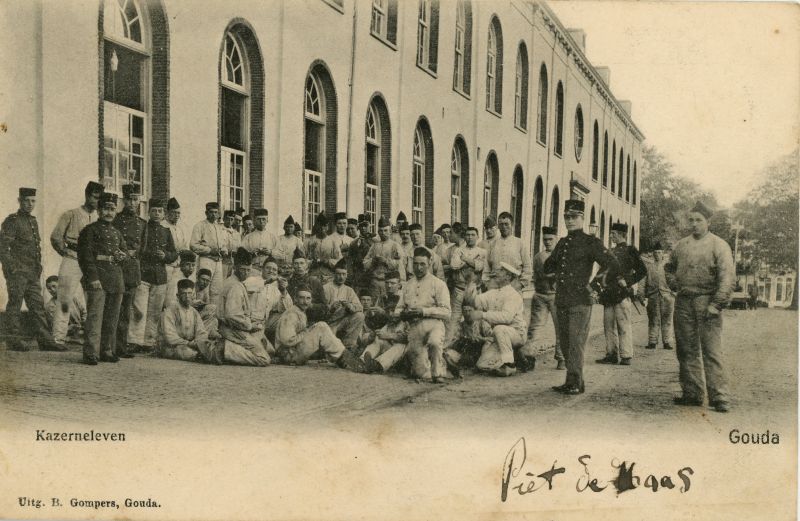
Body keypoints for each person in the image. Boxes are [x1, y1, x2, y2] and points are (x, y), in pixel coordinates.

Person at [544, 199, 621, 395]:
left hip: (580, 299)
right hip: (562, 299)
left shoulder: (591, 242)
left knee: (576, 342)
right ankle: (573, 380)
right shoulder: (562, 243)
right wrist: (553, 278)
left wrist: (594, 286)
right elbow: (549, 266)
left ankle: (576, 382)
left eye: (574, 217)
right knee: (566, 342)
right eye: (566, 217)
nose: (569, 221)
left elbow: (612, 264)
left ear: (582, 218)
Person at [665, 201, 734, 413]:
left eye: (699, 220)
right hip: (684, 301)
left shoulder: (719, 245)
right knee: (686, 349)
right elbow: (668, 268)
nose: (694, 224)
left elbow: (727, 278)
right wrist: (674, 283)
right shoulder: (681, 245)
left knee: (711, 350)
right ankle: (692, 393)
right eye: (691, 220)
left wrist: (717, 304)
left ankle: (719, 396)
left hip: (708, 301)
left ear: (708, 222)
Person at [0, 188, 63, 351]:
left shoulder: (33, 221)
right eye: (27, 200)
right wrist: (11, 269)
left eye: (33, 201)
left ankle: (45, 340)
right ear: (19, 201)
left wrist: (38, 267)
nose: (30, 204)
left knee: (37, 305)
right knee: (15, 304)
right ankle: (13, 340)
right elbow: (3, 247)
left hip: (32, 273)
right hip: (18, 272)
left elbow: (36, 248)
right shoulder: (12, 221)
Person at [49, 181, 103, 346]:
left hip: (91, 262)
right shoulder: (71, 214)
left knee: (93, 298)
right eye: (94, 197)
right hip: (73, 258)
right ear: (87, 196)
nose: (96, 201)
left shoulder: (99, 217)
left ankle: (91, 340)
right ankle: (58, 338)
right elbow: (56, 237)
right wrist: (63, 251)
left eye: (99, 198)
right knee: (64, 299)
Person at [77, 192, 127, 364]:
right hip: (98, 278)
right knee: (95, 317)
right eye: (106, 209)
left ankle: (106, 350)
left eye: (112, 209)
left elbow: (124, 253)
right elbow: (85, 257)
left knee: (112, 318)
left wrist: (122, 256)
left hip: (115, 279)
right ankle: (91, 352)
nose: (109, 213)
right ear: (99, 211)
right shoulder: (89, 231)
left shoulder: (117, 233)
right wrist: (93, 278)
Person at [274, 284, 365, 371]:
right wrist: (306, 331)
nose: (305, 301)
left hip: (293, 352)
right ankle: (345, 358)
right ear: (295, 299)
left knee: (321, 327)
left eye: (308, 298)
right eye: (301, 298)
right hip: (288, 355)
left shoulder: (300, 311)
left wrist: (308, 330)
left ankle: (343, 358)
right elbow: (287, 341)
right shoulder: (291, 314)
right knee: (321, 326)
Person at [128, 198, 178, 355]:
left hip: (160, 276)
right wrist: (150, 253)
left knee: (155, 311)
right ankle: (135, 340)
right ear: (149, 212)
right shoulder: (143, 228)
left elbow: (174, 254)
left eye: (160, 211)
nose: (157, 214)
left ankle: (149, 341)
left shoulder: (166, 232)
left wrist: (165, 255)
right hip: (143, 274)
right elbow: (137, 249)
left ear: (163, 214)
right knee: (139, 310)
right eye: (154, 211)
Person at [394, 247, 451, 383]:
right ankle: (443, 364)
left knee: (435, 342)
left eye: (422, 264)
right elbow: (399, 308)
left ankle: (438, 373)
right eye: (416, 264)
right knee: (419, 373)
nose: (418, 268)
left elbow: (447, 312)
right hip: (414, 327)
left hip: (434, 324)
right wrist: (402, 314)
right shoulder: (408, 285)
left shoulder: (439, 284)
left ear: (429, 263)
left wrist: (424, 311)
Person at [595, 223, 647, 366]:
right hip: (608, 294)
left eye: (613, 233)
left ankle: (626, 356)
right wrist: (595, 284)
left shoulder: (631, 251)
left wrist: (628, 281)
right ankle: (611, 354)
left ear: (621, 235)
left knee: (623, 326)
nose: (611, 236)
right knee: (608, 326)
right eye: (611, 233)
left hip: (622, 294)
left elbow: (642, 271)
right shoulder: (610, 251)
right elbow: (602, 271)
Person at [463, 262, 527, 377]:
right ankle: (517, 357)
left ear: (508, 277)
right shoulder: (493, 293)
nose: (497, 272)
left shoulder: (513, 295)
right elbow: (474, 301)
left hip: (516, 334)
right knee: (482, 365)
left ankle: (510, 365)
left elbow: (506, 318)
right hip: (499, 336)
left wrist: (483, 315)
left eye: (501, 271)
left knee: (499, 329)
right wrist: (471, 283)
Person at [216, 247, 270, 366]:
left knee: (269, 348)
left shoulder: (232, 281)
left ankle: (231, 347)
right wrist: (249, 325)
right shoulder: (235, 286)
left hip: (232, 327)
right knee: (264, 358)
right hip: (232, 329)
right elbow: (232, 315)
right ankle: (226, 349)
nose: (245, 273)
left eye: (248, 270)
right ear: (235, 268)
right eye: (242, 270)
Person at [522, 226, 562, 370]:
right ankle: (529, 357)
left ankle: (561, 359)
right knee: (535, 328)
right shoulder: (538, 257)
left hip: (557, 296)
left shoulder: (562, 256)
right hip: (541, 294)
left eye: (551, 239)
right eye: (545, 239)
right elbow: (539, 276)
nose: (548, 242)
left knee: (561, 328)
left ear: (556, 239)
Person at [113, 184, 146, 357]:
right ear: (124, 200)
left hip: (132, 270)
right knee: (113, 308)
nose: (133, 203)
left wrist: (135, 253)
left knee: (126, 310)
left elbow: (144, 248)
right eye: (130, 200)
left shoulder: (142, 223)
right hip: (116, 269)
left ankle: (121, 346)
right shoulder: (115, 220)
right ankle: (108, 345)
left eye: (136, 200)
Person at [446, 226, 487, 344]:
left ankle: (477, 342)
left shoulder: (482, 252)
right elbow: (454, 265)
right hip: (459, 288)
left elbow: (480, 267)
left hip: (474, 288)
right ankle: (450, 343)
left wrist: (465, 259)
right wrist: (471, 262)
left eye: (473, 235)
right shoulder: (458, 250)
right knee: (455, 317)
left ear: (478, 237)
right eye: (468, 235)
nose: (470, 237)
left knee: (476, 316)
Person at [158, 279, 215, 363]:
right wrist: (189, 343)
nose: (187, 296)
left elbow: (201, 332)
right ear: (178, 296)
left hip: (190, 344)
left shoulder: (194, 312)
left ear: (193, 295)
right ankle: (201, 357)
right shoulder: (170, 311)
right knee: (182, 350)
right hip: (172, 346)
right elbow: (170, 337)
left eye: (189, 293)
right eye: (184, 294)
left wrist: (198, 342)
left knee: (208, 343)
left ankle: (207, 355)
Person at [190, 202, 229, 305]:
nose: (213, 215)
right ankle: (201, 314)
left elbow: (224, 244)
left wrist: (224, 251)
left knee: (216, 290)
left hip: (218, 261)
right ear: (206, 213)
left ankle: (212, 315)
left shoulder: (220, 228)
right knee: (203, 288)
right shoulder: (200, 226)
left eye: (216, 212)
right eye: (211, 212)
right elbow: (193, 245)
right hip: (206, 260)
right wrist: (209, 250)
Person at [323, 259, 366, 350]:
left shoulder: (349, 290)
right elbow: (320, 309)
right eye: (338, 274)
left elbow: (360, 307)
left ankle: (348, 346)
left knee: (359, 316)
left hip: (344, 322)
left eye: (343, 274)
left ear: (347, 275)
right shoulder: (326, 288)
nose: (341, 277)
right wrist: (331, 308)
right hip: (329, 323)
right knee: (328, 347)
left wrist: (350, 306)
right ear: (334, 274)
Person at [363, 216, 406, 303]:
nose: (383, 233)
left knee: (387, 304)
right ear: (378, 232)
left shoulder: (395, 245)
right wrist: (373, 260)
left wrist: (386, 261)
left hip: (388, 283)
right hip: (374, 282)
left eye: (386, 230)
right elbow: (365, 262)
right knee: (374, 305)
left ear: (390, 232)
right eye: (381, 231)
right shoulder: (374, 245)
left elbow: (401, 264)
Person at [487, 212, 532, 292]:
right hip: (495, 288)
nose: (504, 227)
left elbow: (527, 268)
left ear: (512, 225)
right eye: (501, 224)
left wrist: (520, 284)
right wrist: (488, 284)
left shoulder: (520, 243)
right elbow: (486, 267)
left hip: (514, 287)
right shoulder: (492, 244)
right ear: (498, 226)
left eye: (506, 224)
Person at [644, 241, 675, 350]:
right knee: (653, 319)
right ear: (653, 254)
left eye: (659, 252)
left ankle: (667, 341)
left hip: (667, 297)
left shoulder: (668, 267)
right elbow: (644, 282)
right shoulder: (649, 267)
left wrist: (674, 292)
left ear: (663, 253)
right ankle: (652, 341)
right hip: (653, 297)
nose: (657, 254)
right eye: (655, 252)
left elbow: (675, 280)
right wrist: (642, 295)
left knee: (667, 320)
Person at [162, 197, 189, 312]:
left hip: (178, 267)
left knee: (174, 297)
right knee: (165, 298)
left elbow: (184, 246)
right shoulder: (163, 226)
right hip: (166, 266)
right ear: (167, 212)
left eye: (179, 213)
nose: (177, 215)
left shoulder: (180, 228)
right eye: (174, 213)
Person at [260, 257, 293, 342]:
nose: (271, 271)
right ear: (262, 269)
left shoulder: (275, 286)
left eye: (274, 269)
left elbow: (288, 308)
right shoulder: (255, 281)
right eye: (268, 268)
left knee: (288, 316)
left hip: (266, 323)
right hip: (252, 323)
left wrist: (283, 291)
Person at [306, 213, 342, 285]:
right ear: (316, 226)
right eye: (320, 225)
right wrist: (311, 262)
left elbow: (339, 260)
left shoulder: (333, 242)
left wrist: (328, 261)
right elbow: (303, 258)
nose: (322, 228)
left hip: (328, 275)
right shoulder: (309, 241)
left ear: (327, 227)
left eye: (324, 226)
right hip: (313, 274)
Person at [222, 210, 241, 279]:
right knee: (222, 279)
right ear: (223, 219)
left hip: (233, 260)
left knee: (231, 280)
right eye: (227, 219)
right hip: (223, 260)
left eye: (231, 219)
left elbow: (239, 247)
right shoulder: (219, 231)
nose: (229, 221)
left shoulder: (237, 234)